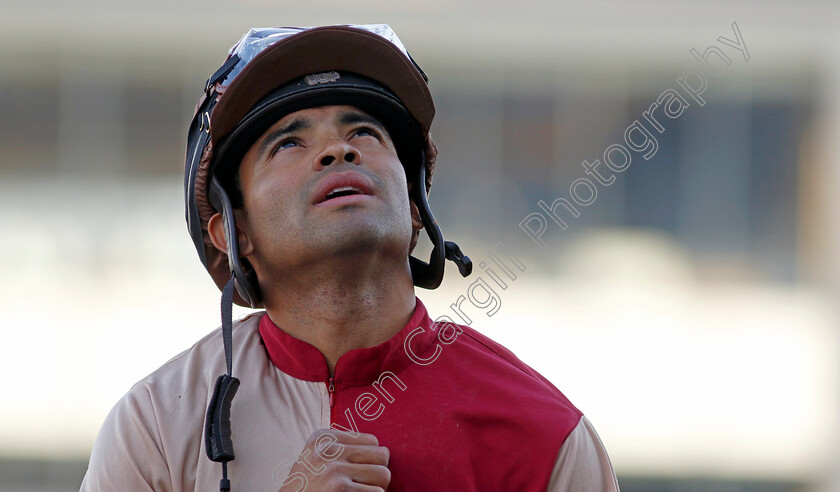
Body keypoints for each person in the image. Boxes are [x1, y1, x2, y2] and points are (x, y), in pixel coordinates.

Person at [80, 24, 620, 492]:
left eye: (364, 131)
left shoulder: (547, 435)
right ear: (234, 233)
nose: (339, 150)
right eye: (288, 143)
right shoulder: (154, 425)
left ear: (414, 209)